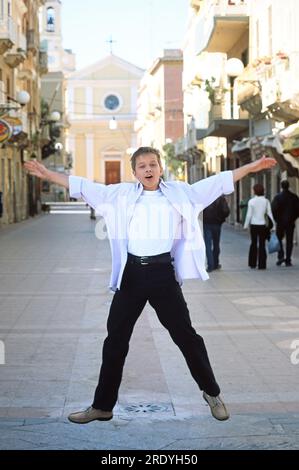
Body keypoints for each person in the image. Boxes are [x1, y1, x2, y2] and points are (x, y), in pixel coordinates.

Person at [23, 147, 276, 424]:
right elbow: (82, 185)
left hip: (162, 275)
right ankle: (102, 406)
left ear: (160, 167)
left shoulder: (181, 193)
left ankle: (212, 393)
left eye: (152, 164)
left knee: (186, 337)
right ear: (135, 172)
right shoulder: (119, 195)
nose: (148, 169)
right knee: (115, 340)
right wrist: (46, 173)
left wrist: (252, 167)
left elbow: (218, 181)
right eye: (142, 166)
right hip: (131, 275)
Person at [243, 183, 275, 270]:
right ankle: (262, 264)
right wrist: (274, 225)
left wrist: (246, 225)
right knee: (262, 244)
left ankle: (252, 263)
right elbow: (269, 213)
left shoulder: (251, 201)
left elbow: (249, 215)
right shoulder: (266, 201)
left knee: (253, 243)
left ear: (254, 191)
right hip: (262, 225)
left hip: (254, 225)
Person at [271, 180, 299, 267]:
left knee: (279, 239)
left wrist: (276, 220)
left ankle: (281, 256)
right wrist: (293, 218)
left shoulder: (277, 197)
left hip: (280, 222)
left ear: (281, 186)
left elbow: (273, 210)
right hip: (290, 222)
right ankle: (288, 260)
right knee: (289, 241)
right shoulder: (294, 197)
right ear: (288, 186)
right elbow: (298, 210)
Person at [203, 195, 230, 272]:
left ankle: (210, 266)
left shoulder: (205, 197)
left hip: (206, 224)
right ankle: (215, 263)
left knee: (208, 245)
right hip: (217, 224)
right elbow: (226, 211)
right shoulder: (220, 198)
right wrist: (221, 219)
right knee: (216, 243)